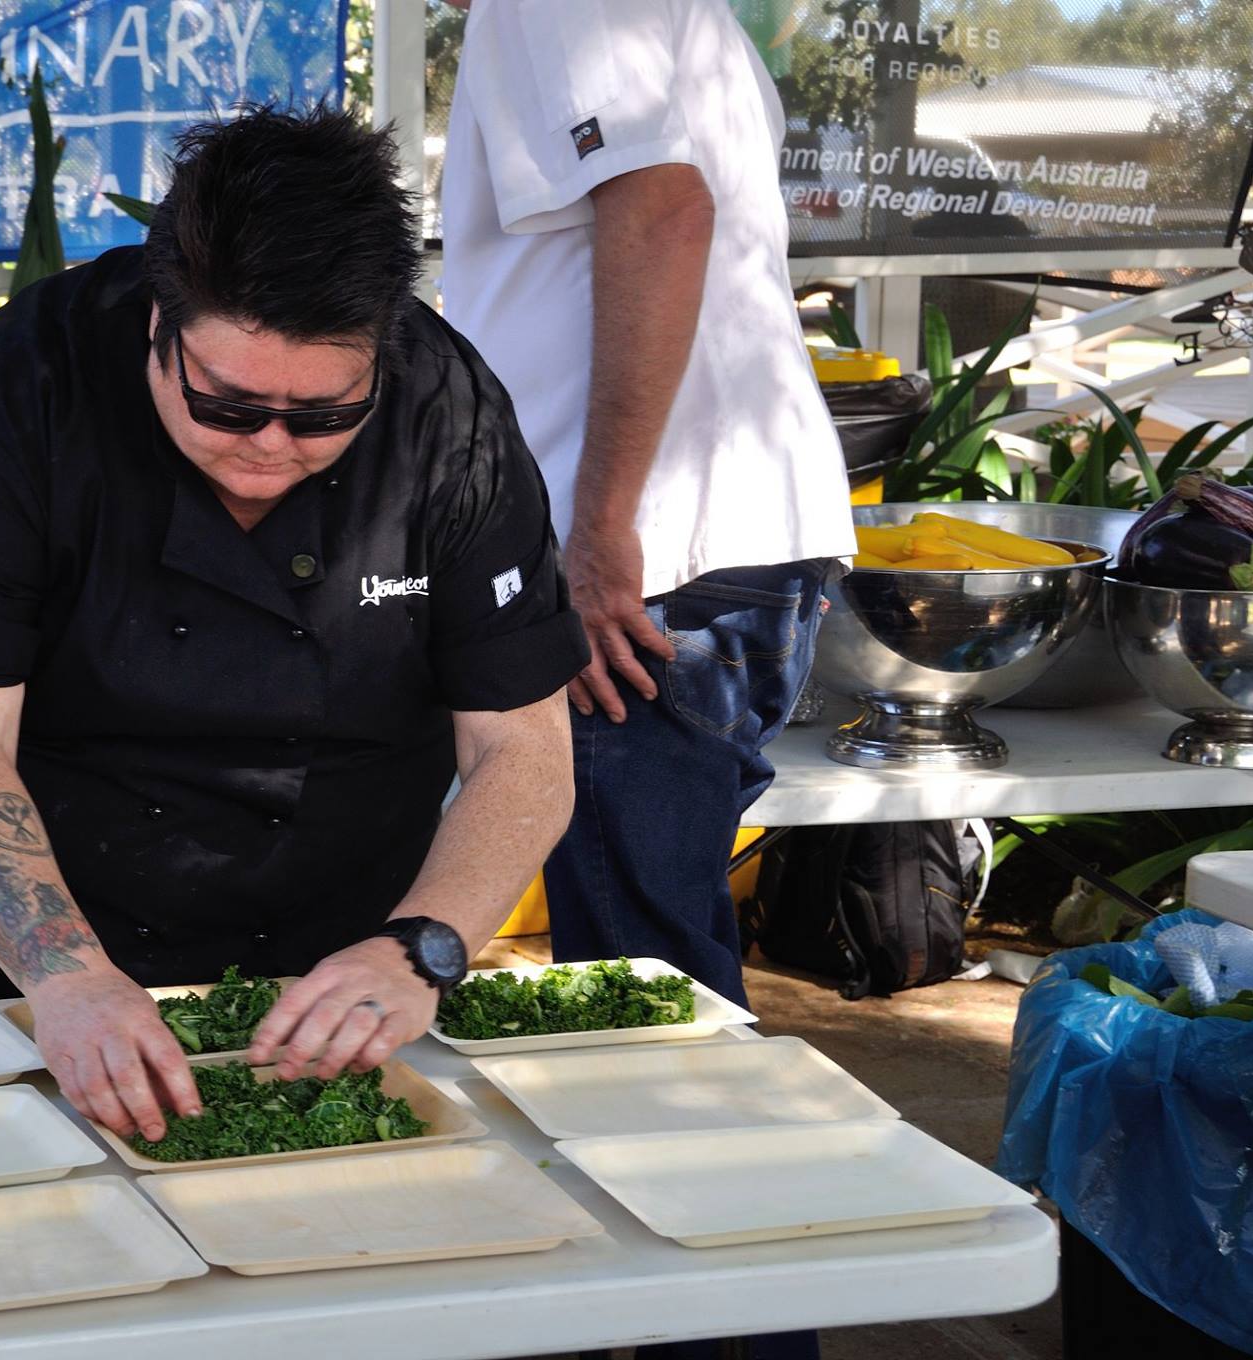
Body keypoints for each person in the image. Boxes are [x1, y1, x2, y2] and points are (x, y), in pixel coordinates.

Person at [0, 105, 588, 1146]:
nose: (271, 447)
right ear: (159, 324)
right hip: (50, 965)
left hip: (347, 973)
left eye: (325, 416)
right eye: (229, 408)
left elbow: (524, 751)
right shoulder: (21, 389)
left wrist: (420, 947)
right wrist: (66, 978)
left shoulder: (449, 418)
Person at [442, 5, 853, 1356]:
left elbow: (663, 212)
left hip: (653, 564)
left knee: (653, 1015)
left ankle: (730, 1333)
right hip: (703, 550)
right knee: (656, 984)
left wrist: (600, 530)